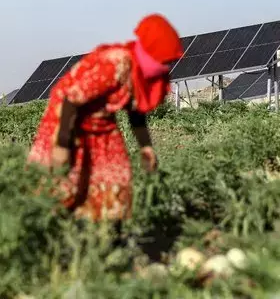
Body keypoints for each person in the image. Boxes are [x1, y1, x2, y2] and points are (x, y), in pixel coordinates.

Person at [27, 13, 184, 223]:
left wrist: (146, 147)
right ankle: (51, 228)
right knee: (63, 182)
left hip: (102, 125)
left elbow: (136, 112)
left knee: (116, 177)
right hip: (68, 120)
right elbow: (71, 99)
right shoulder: (116, 64)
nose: (166, 67)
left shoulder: (138, 73)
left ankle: (107, 232)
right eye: (164, 61)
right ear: (151, 51)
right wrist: (62, 145)